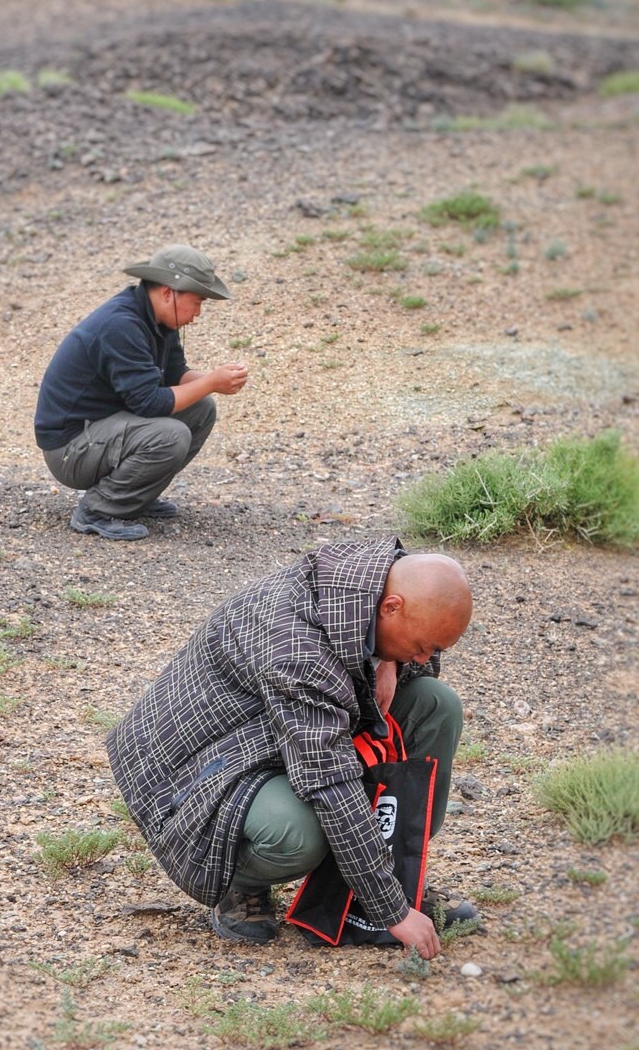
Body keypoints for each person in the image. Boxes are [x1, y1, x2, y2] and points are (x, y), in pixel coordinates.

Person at [107, 539, 478, 960]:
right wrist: (391, 911)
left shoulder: (376, 581)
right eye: (424, 646)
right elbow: (329, 782)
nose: (425, 658)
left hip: (282, 730)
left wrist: (391, 661)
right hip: (198, 767)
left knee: (434, 705)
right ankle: (241, 883)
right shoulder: (298, 649)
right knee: (298, 832)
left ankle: (398, 870)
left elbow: (410, 660)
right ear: (391, 607)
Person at [34, 244, 249, 542]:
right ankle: (97, 510)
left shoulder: (158, 320)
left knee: (201, 408)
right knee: (171, 435)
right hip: (69, 449)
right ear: (168, 293)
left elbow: (176, 374)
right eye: (197, 302)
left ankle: (134, 497)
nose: (198, 313)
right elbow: (150, 404)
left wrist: (221, 380)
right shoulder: (121, 325)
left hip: (101, 429)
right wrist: (212, 381)